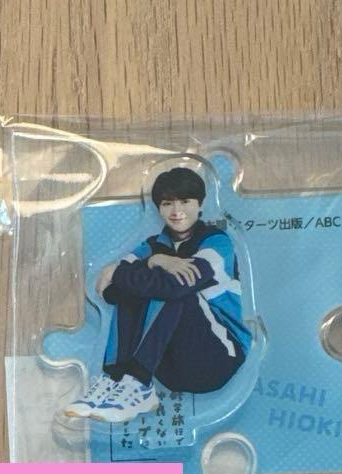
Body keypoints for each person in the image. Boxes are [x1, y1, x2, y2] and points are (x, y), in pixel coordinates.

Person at [65, 166, 252, 422]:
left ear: (200, 204)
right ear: (159, 208)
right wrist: (156, 260)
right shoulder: (153, 246)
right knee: (137, 292)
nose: (176, 211)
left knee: (177, 293)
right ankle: (118, 379)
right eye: (167, 203)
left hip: (219, 357)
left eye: (185, 201)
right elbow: (111, 293)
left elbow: (177, 287)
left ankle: (138, 381)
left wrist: (121, 271)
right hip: (169, 367)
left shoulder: (216, 242)